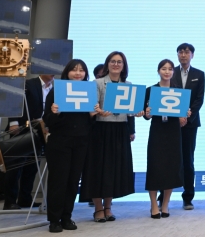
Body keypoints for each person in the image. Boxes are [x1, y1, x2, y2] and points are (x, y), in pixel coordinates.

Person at [80, 51, 141, 222]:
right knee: (97, 169)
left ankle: (108, 207)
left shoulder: (128, 84)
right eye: (113, 61)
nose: (116, 64)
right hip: (100, 130)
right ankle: (98, 208)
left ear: (123, 66)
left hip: (120, 131)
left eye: (119, 62)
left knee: (114, 170)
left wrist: (136, 115)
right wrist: (97, 111)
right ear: (107, 64)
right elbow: (91, 108)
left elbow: (130, 111)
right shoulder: (97, 83)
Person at [43, 60, 98, 233]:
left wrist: (92, 115)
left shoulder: (89, 93)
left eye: (82, 70)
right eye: (74, 70)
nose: (78, 73)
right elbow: (47, 120)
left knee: (73, 182)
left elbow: (90, 124)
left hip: (80, 142)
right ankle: (54, 219)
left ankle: (66, 217)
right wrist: (56, 113)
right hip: (59, 142)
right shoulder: (56, 91)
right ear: (67, 72)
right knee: (58, 182)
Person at [144, 59, 191, 219]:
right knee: (155, 166)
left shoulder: (178, 90)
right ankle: (153, 204)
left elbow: (182, 116)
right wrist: (147, 113)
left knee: (171, 167)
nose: (167, 72)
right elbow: (146, 114)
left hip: (173, 132)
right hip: (157, 130)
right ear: (159, 71)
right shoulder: (151, 90)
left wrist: (185, 115)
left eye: (170, 69)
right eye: (164, 69)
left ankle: (165, 204)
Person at [4, 74, 53, 210]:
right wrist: (13, 122)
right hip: (21, 129)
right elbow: (15, 100)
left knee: (32, 166)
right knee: (15, 167)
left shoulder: (53, 89)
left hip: (40, 131)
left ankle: (25, 198)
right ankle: (9, 201)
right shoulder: (29, 84)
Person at [172, 43, 205, 210]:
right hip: (172, 122)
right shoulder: (170, 72)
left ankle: (188, 196)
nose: (183, 55)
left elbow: (199, 99)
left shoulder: (199, 74)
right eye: (180, 52)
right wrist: (178, 116)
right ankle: (164, 194)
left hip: (190, 123)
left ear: (192, 55)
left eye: (187, 52)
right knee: (169, 158)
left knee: (188, 160)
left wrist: (187, 115)